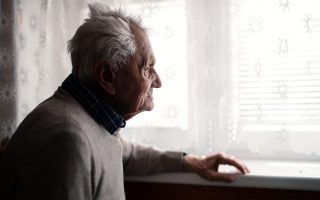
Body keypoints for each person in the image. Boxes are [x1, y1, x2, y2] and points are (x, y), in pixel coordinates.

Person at [0, 3, 249, 200]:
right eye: (147, 68)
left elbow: (122, 152)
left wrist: (187, 161)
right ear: (108, 76)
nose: (158, 81)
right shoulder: (67, 140)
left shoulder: (90, 118)